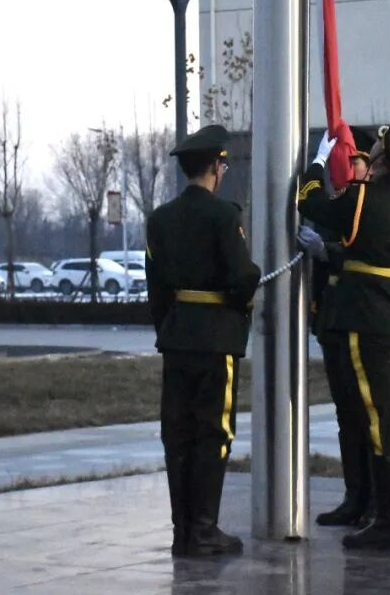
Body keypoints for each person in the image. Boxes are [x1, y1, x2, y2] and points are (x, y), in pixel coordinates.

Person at [297, 111, 390, 551]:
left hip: (370, 315)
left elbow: (310, 201)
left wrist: (317, 164)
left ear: (383, 157)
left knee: (379, 419)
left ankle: (389, 523)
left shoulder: (362, 200)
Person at [146, 124, 261, 558]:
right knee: (214, 432)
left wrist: (170, 327)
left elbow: (156, 289)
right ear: (216, 167)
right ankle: (204, 530)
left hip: (177, 338)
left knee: (178, 434)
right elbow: (241, 277)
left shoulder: (160, 219)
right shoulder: (224, 215)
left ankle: (183, 532)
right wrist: (245, 294)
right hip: (215, 339)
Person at [298, 126, 378, 528]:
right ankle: (355, 496)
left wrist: (326, 251)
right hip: (333, 319)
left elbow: (362, 251)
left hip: (363, 318)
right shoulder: (338, 203)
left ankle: (377, 501)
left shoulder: (372, 203)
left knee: (369, 415)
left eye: (349, 162)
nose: (341, 170)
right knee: (347, 414)